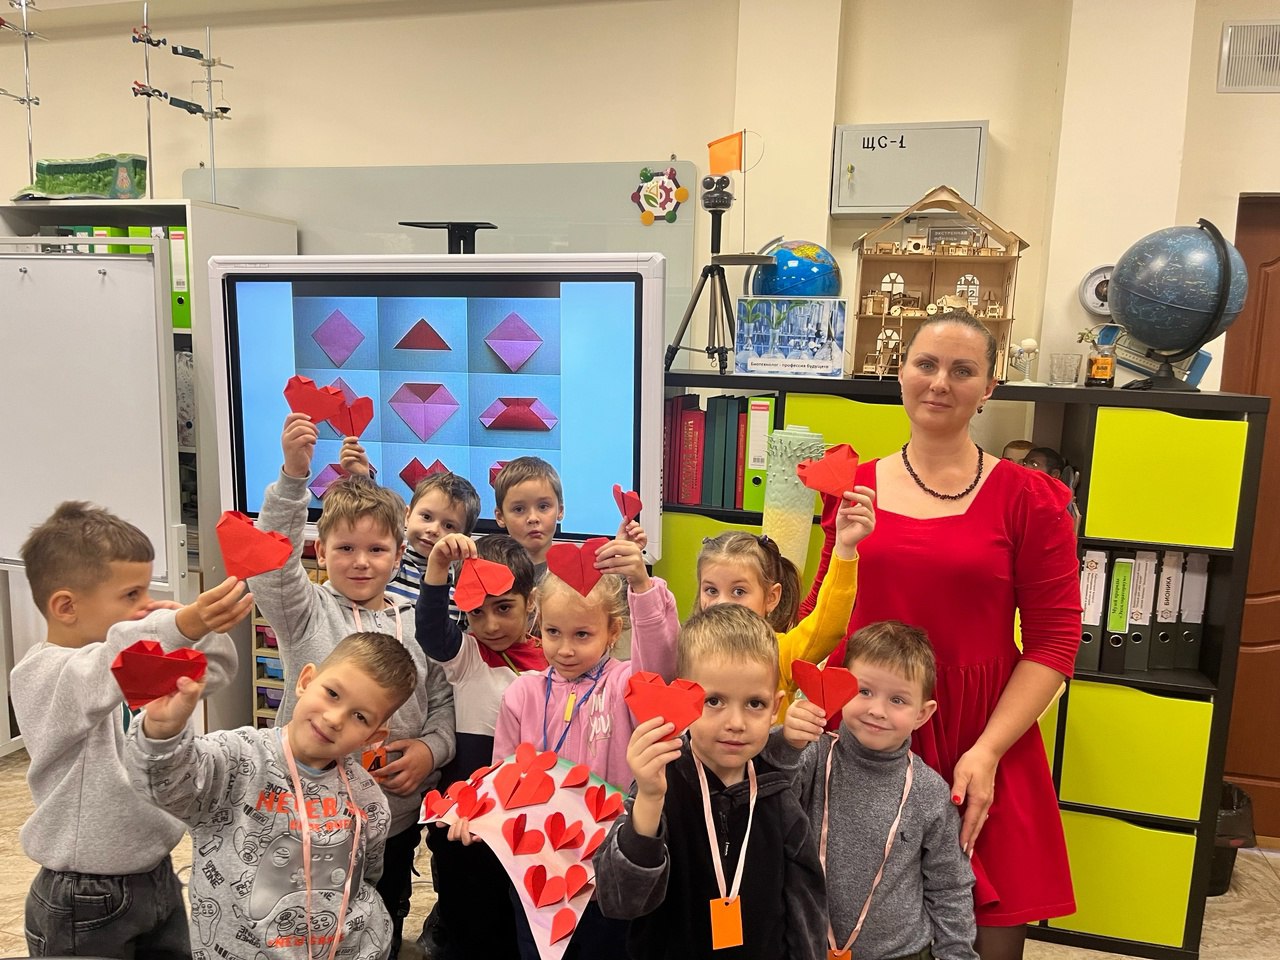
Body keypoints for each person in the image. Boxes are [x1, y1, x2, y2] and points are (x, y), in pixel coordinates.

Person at [798, 311, 1082, 960]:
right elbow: (822, 613)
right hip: (866, 723)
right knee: (850, 921)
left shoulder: (1030, 498)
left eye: (962, 370)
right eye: (925, 364)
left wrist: (988, 751)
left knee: (985, 935)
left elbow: (1054, 640)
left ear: (989, 388)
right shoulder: (855, 489)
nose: (940, 382)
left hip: (983, 732)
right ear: (900, 373)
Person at [252, 411, 457, 958]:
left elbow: (441, 701)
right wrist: (293, 479)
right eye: (345, 548)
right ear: (320, 552)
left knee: (382, 918)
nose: (361, 563)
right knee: (300, 926)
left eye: (377, 550)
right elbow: (270, 566)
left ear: (399, 554)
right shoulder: (304, 611)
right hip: (307, 815)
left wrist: (429, 751)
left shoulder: (419, 621)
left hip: (394, 817)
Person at [12, 501, 247, 959]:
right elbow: (103, 669)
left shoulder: (130, 661)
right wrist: (178, 625)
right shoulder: (43, 675)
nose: (145, 606)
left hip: (155, 873)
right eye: (131, 594)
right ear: (66, 606)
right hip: (83, 893)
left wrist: (197, 630)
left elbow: (214, 672)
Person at [126, 631, 418, 960]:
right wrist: (163, 733)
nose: (335, 719)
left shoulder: (368, 798)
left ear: (373, 736)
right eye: (332, 693)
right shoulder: (235, 758)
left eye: (360, 717)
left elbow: (365, 877)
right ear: (305, 681)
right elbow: (167, 785)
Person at [476, 534, 676, 959]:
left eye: (582, 634)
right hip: (537, 874)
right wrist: (477, 818)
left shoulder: (624, 685)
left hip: (604, 873)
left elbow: (660, 668)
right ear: (538, 623)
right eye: (553, 632)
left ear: (613, 631)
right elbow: (500, 780)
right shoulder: (522, 694)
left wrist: (642, 587)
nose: (565, 649)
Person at [594, 603, 828, 960]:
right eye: (714, 701)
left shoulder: (778, 796)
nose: (735, 723)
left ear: (775, 706)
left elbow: (805, 912)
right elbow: (621, 902)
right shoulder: (660, 782)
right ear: (684, 697)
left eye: (755, 704)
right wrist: (650, 800)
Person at [773, 620, 978, 960]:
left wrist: (957, 954)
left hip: (902, 953)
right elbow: (768, 797)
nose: (877, 711)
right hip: (805, 947)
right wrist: (786, 742)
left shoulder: (929, 792)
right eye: (864, 691)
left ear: (922, 714)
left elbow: (950, 886)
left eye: (897, 700)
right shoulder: (812, 755)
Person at [628, 485, 874, 718]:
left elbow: (827, 627)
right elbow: (654, 662)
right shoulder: (691, 648)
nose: (722, 602)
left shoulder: (779, 653)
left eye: (738, 591)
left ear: (771, 597)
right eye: (711, 590)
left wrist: (844, 548)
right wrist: (640, 581)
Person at [415, 532, 547, 959]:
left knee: (516, 920)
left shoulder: (554, 661)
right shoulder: (468, 655)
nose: (490, 625)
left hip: (526, 818)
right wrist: (437, 569)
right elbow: (430, 631)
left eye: (504, 608)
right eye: (476, 612)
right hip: (465, 822)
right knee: (467, 918)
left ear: (531, 602)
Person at [340, 437, 480, 613]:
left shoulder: (463, 579)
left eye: (449, 526)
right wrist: (362, 478)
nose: (433, 530)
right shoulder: (395, 559)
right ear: (407, 515)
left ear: (464, 537)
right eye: (426, 517)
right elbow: (371, 517)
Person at [491, 455, 564, 575]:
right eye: (519, 509)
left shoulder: (575, 570)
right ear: (500, 517)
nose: (533, 518)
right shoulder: (490, 572)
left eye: (543, 507)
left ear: (560, 511)